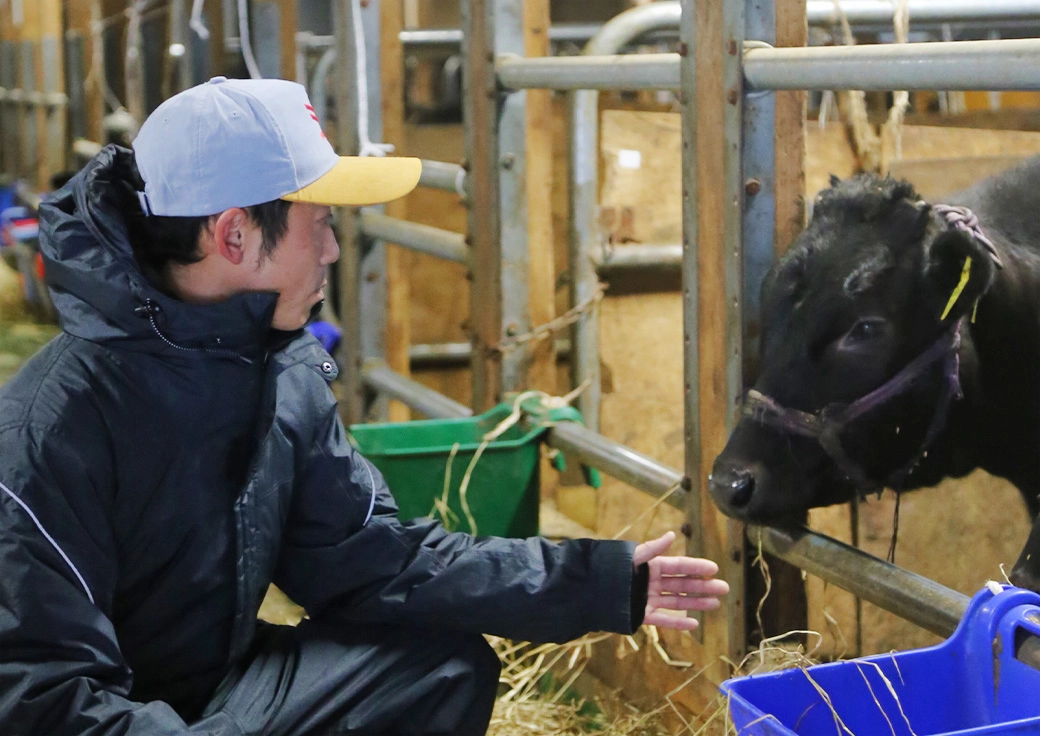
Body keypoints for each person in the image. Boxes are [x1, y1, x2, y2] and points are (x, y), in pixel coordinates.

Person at [0, 76, 729, 736]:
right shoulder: (51, 432)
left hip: (217, 689)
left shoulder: (276, 375)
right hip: (107, 716)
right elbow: (44, 698)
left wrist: (594, 583)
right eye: (319, 222)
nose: (333, 251)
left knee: (442, 669)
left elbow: (373, 562)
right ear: (234, 233)